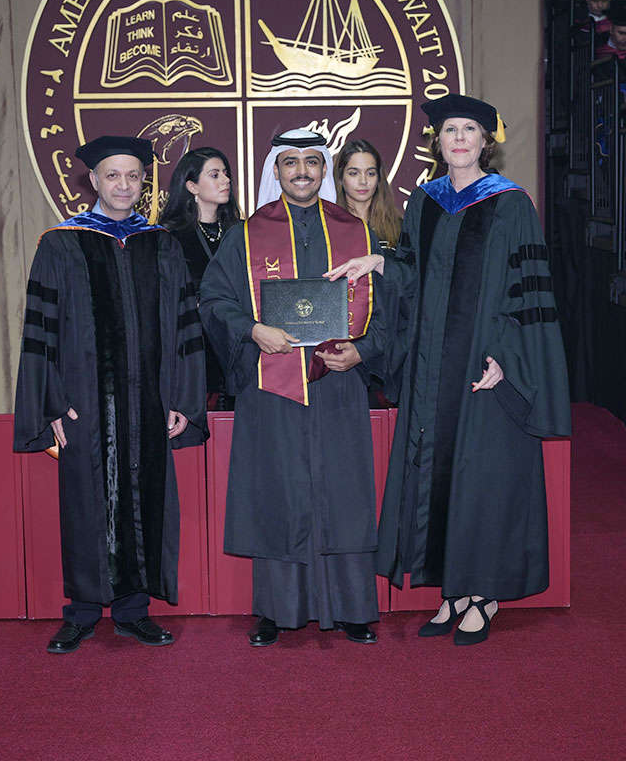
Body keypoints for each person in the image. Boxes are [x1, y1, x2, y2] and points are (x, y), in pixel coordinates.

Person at [328, 95, 571, 646]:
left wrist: (506, 358)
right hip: (432, 365)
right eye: (450, 130)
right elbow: (414, 274)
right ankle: (453, 590)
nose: (459, 138)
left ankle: (482, 593)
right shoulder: (426, 201)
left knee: (482, 474)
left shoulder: (511, 204)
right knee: (435, 469)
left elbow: (529, 291)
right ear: (436, 142)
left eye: (469, 130)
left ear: (486, 140)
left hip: (486, 364)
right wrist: (380, 261)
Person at [13, 135, 208, 654]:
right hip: (84, 402)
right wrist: (52, 403)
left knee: (145, 497)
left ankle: (133, 612)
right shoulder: (61, 243)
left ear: (144, 184)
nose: (123, 185)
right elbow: (40, 332)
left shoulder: (161, 244)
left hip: (149, 402)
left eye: (133, 176)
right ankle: (80, 612)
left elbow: (185, 327)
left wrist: (182, 399)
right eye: (113, 175)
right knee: (85, 502)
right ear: (94, 180)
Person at [198, 129, 384, 647]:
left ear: (324, 169)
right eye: (290, 162)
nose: (302, 171)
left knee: (342, 493)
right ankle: (275, 610)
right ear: (275, 171)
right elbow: (213, 300)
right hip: (271, 383)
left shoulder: (357, 232)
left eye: (311, 161)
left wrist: (363, 352)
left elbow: (392, 309)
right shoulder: (246, 234)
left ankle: (352, 608)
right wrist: (252, 330)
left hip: (337, 384)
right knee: (278, 493)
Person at [159, 146, 243, 409]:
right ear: (192, 186)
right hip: (193, 349)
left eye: (226, 174)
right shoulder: (169, 237)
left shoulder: (242, 233)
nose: (226, 180)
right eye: (215, 175)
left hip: (239, 344)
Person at [333, 138, 402, 253]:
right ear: (340, 177)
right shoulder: (326, 225)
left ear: (379, 178)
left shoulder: (399, 227)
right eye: (354, 173)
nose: (363, 181)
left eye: (370, 173)